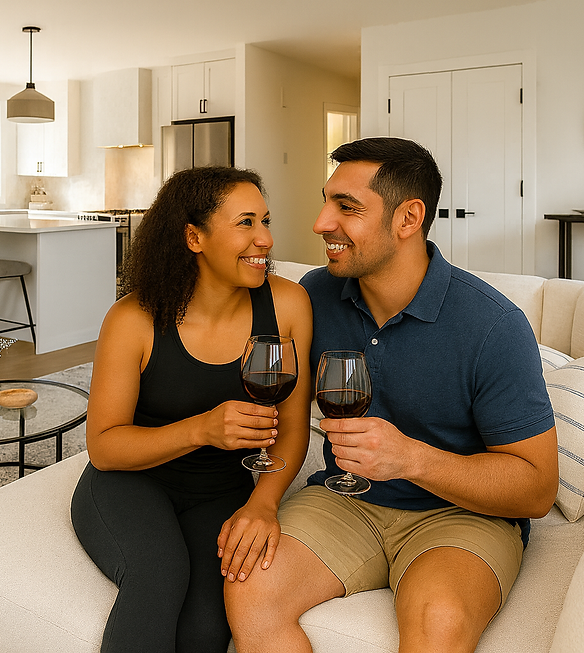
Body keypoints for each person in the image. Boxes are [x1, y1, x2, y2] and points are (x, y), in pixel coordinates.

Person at [225, 138, 558, 653]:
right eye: (326, 202)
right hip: (343, 501)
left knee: (439, 624)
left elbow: (537, 489)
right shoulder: (316, 295)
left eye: (347, 208)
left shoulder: (493, 326)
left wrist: (410, 459)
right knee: (249, 586)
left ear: (409, 218)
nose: (320, 223)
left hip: (459, 516)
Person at [71, 166, 313, 653]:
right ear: (193, 236)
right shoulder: (133, 319)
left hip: (221, 490)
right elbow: (104, 448)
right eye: (245, 223)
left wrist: (263, 503)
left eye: (266, 221)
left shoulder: (288, 303)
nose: (265, 239)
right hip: (131, 481)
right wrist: (202, 429)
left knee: (206, 625)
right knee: (158, 576)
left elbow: (292, 427)